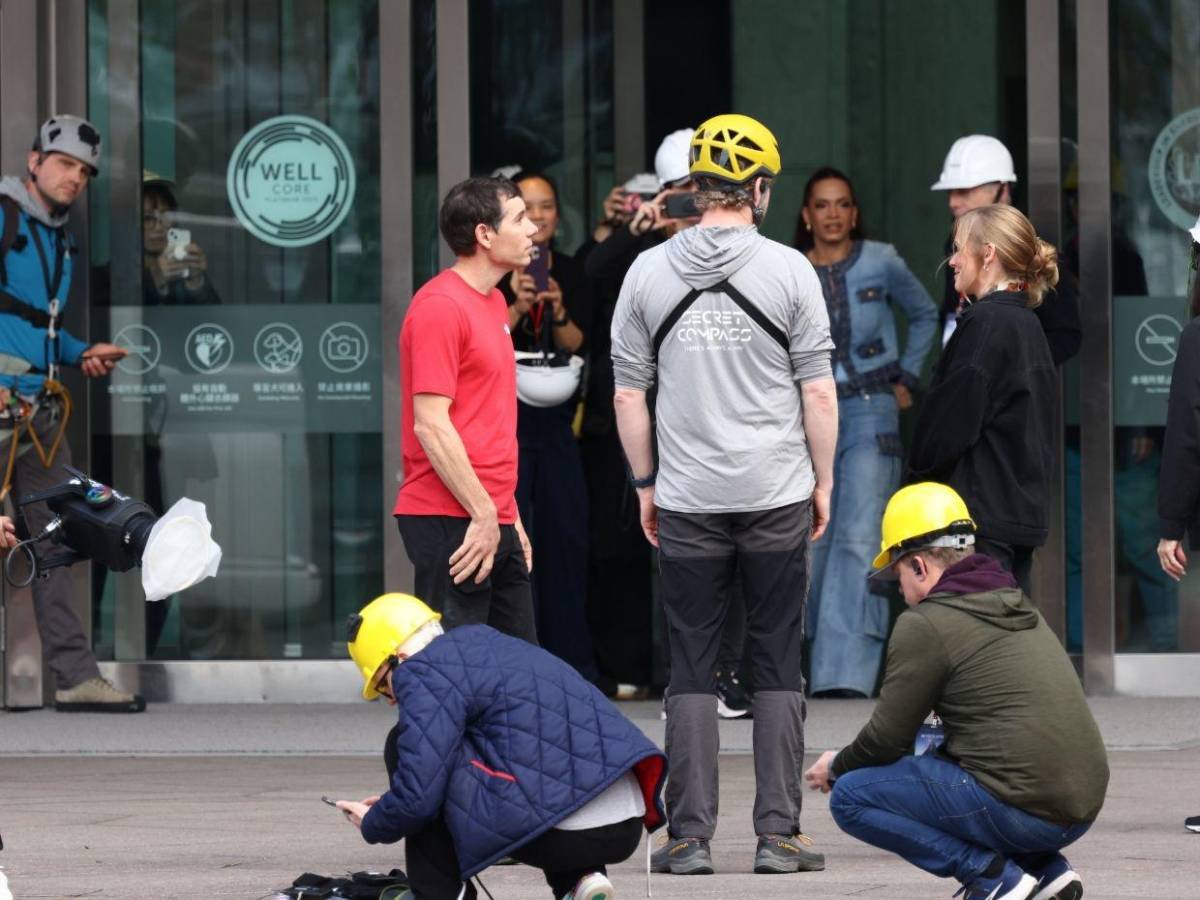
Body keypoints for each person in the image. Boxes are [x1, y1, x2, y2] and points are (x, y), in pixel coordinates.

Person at [612, 113, 837, 875]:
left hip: (687, 499)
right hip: (776, 493)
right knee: (776, 661)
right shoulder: (790, 270)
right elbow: (819, 396)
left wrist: (646, 484)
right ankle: (778, 836)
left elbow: (626, 396)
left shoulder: (647, 271)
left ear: (695, 187)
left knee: (691, 666)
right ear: (761, 188)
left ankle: (688, 838)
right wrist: (823, 480)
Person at [804, 482, 1109, 900]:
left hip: (1023, 811)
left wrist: (837, 766)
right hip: (1081, 807)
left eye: (897, 574)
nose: (899, 589)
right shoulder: (1011, 600)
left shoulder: (927, 623)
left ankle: (991, 878)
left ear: (919, 566)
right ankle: (1046, 868)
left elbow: (886, 740)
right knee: (962, 770)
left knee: (853, 796)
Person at [336, 592, 667, 900]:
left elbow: (419, 799)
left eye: (383, 684)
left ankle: (439, 894)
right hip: (623, 822)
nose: (391, 699)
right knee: (531, 758)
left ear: (401, 657)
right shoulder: (491, 645)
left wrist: (375, 819)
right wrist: (399, 799)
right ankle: (580, 880)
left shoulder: (422, 672)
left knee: (404, 747)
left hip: (566, 831)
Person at [0, 115, 139, 712]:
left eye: (84, 171)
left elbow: (36, 327)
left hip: (36, 412)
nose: (74, 178)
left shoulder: (58, 237)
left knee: (59, 533)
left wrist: (81, 353)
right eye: (64, 164)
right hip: (7, 400)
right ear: (34, 162)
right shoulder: (5, 219)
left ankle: (76, 676)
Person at [795, 166, 938, 698]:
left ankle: (843, 677)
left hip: (873, 411)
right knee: (812, 541)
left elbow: (925, 315)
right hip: (807, 417)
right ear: (806, 215)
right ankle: (805, 663)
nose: (833, 214)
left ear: (854, 213)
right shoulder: (789, 270)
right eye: (822, 205)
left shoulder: (882, 259)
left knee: (858, 538)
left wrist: (909, 377)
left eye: (842, 204)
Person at [394, 176, 538, 643]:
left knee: (519, 673)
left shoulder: (495, 301)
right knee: (458, 676)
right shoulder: (439, 306)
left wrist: (508, 516)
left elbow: (485, 420)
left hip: (491, 515)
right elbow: (431, 426)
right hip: (452, 516)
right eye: (519, 218)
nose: (532, 228)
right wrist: (482, 514)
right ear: (484, 234)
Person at [906, 204, 1058, 597]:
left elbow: (949, 426)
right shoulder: (1025, 322)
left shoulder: (987, 324)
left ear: (987, 254)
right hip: (1017, 517)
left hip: (981, 523)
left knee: (976, 646)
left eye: (958, 248)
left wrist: (915, 481)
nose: (952, 261)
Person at [498, 170, 598, 679]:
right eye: (527, 206)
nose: (537, 217)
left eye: (546, 206)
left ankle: (570, 665)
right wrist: (516, 304)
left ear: (559, 215)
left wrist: (556, 308)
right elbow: (487, 342)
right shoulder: (494, 271)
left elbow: (580, 342)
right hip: (507, 427)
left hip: (558, 425)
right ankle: (519, 664)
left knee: (564, 542)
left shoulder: (573, 269)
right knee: (515, 548)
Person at [930, 134, 1081, 364]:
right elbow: (952, 313)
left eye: (964, 191)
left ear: (1002, 189)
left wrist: (1011, 367)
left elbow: (1066, 334)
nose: (953, 202)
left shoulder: (1031, 248)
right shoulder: (953, 243)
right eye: (950, 192)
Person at [141, 171, 220, 305]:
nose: (159, 227)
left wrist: (196, 282)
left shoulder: (183, 272)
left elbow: (216, 322)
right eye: (148, 218)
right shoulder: (109, 277)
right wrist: (156, 278)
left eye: (166, 216)